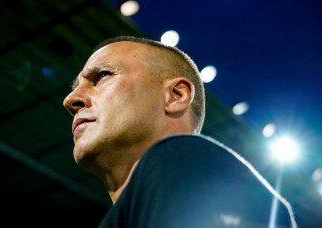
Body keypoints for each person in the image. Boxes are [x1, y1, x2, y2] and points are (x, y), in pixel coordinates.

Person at [63, 36, 297, 228]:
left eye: (102, 75)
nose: (70, 100)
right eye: (76, 87)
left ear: (176, 96)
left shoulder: (185, 158)